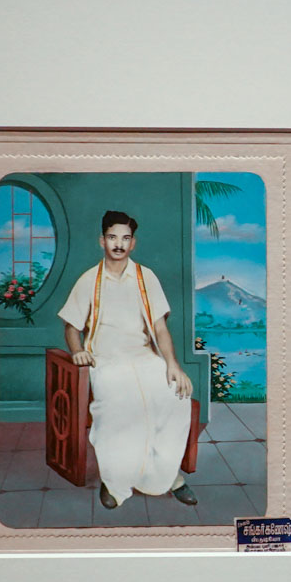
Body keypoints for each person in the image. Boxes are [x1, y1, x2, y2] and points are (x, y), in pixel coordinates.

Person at [56, 210, 198, 509]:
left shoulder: (146, 277)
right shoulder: (89, 280)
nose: (118, 244)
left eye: (125, 238)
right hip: (105, 360)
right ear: (102, 241)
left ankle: (167, 476)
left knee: (175, 396)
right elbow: (71, 327)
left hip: (144, 357)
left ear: (133, 243)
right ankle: (114, 482)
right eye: (112, 237)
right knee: (117, 406)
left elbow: (160, 327)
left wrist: (172, 364)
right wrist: (77, 350)